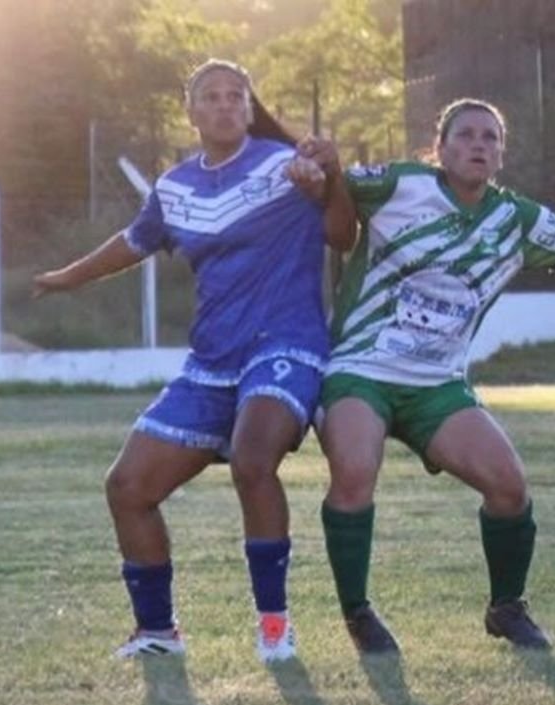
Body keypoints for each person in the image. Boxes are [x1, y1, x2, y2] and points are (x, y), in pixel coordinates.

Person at [306, 98, 555, 655]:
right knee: (354, 470)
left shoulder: (515, 220)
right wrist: (322, 170)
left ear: (501, 156)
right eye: (465, 135)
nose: (478, 145)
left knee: (509, 486)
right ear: (439, 147)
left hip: (437, 384)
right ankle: (358, 613)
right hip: (359, 367)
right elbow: (334, 200)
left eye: (490, 138)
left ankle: (506, 607)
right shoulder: (400, 185)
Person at [32, 59, 345, 664]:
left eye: (237, 96)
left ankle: (275, 626)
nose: (226, 105)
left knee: (253, 463)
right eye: (212, 96)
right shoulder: (174, 187)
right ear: (192, 112)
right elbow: (132, 242)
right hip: (211, 361)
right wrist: (70, 277)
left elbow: (341, 232)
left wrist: (330, 181)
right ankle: (157, 631)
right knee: (126, 486)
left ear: (250, 108)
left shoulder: (288, 165)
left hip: (285, 345)